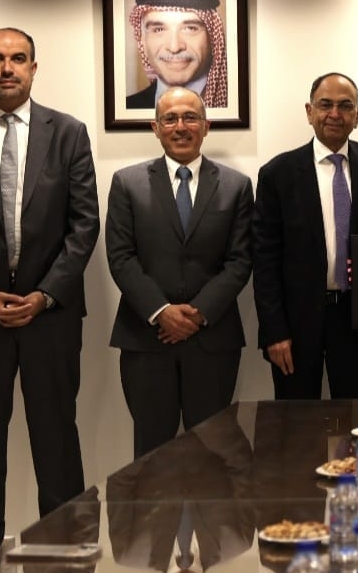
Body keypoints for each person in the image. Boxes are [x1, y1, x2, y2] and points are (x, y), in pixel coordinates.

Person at [0, 27, 100, 552]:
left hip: (51, 317)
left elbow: (84, 226)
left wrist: (44, 295)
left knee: (57, 441)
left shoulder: (69, 134)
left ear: (34, 69)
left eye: (18, 59)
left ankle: (64, 558)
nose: (7, 68)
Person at [106, 87, 253, 458]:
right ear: (155, 128)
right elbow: (121, 257)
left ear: (206, 126)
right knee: (152, 457)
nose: (180, 126)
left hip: (212, 341)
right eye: (170, 119)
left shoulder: (236, 186)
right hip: (146, 341)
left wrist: (198, 313)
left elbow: (240, 260)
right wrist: (161, 312)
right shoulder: (127, 183)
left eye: (190, 117)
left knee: (214, 455)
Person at [253, 72, 358, 399]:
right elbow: (265, 261)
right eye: (325, 105)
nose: (335, 114)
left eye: (345, 106)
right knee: (295, 421)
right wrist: (274, 331)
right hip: (296, 322)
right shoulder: (277, 174)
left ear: (357, 115)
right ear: (309, 112)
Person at [126, 0, 228, 108]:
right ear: (143, 43)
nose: (174, 47)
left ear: (212, 39)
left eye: (190, 28)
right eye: (159, 29)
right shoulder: (129, 107)